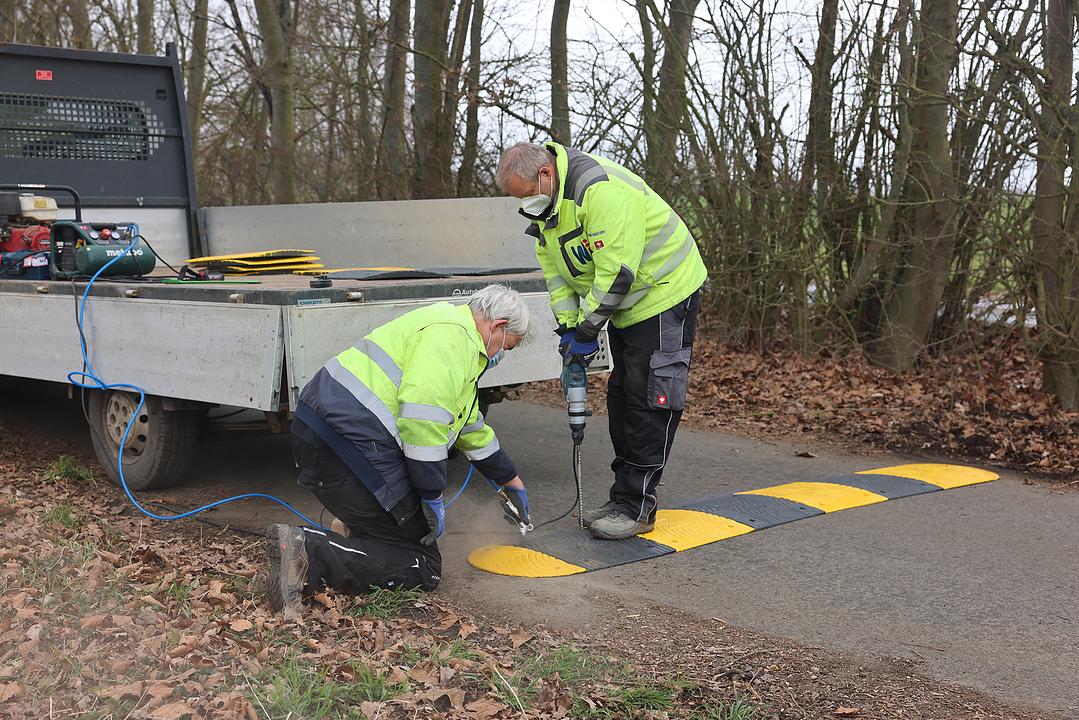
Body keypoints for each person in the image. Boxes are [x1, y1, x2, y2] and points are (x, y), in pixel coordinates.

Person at [266, 284, 532, 612]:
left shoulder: (448, 326)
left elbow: (470, 427)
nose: (500, 355)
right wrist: (431, 495)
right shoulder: (454, 340)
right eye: (508, 345)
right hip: (347, 446)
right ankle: (307, 551)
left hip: (326, 435)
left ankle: (357, 533)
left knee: (401, 532)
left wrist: (510, 480)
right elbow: (422, 422)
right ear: (498, 326)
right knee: (423, 564)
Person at [496, 141, 707, 540]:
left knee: (650, 399)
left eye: (526, 194)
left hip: (664, 290)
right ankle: (622, 498)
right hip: (626, 304)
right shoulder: (548, 210)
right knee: (622, 397)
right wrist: (569, 330)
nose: (524, 204)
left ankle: (637, 507)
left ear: (546, 175)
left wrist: (587, 331)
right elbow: (558, 277)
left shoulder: (600, 190)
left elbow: (618, 273)